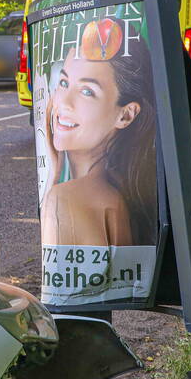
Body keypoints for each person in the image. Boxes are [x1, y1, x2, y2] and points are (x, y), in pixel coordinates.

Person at [41, 20, 158, 249]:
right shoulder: (126, 187)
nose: (63, 102)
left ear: (126, 115)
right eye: (64, 82)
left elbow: (63, 284)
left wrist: (50, 185)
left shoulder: (64, 199)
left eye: (87, 91)